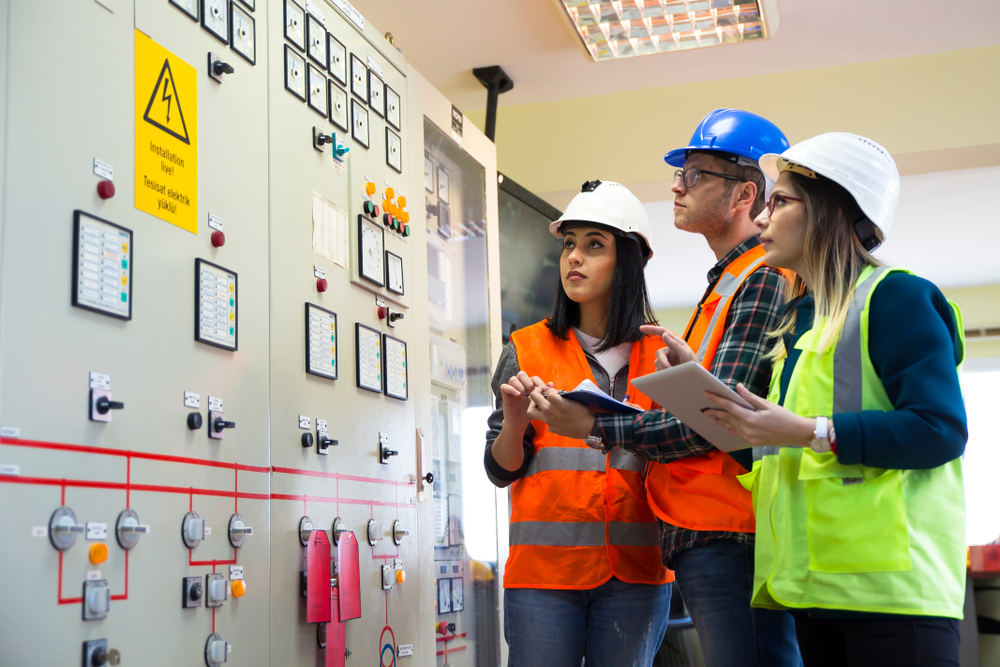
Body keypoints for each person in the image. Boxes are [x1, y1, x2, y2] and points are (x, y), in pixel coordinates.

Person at [524, 109, 802, 667]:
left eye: (695, 174)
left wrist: (595, 425)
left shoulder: (761, 277)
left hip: (727, 528)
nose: (677, 185)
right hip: (697, 533)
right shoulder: (724, 283)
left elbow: (717, 421)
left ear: (744, 194)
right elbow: (713, 403)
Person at [703, 132, 968, 667]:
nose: (760, 219)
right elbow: (772, 452)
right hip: (813, 594)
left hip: (893, 599)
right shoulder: (800, 324)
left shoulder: (897, 297)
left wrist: (808, 431)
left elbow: (940, 430)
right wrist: (709, 402)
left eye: (777, 202)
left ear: (828, 209)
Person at [484, 180, 672, 667]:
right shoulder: (525, 349)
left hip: (637, 578)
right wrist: (512, 423)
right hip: (543, 579)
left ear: (628, 260)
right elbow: (502, 469)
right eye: (569, 244)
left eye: (594, 245)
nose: (574, 258)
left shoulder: (665, 358)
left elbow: (682, 452)